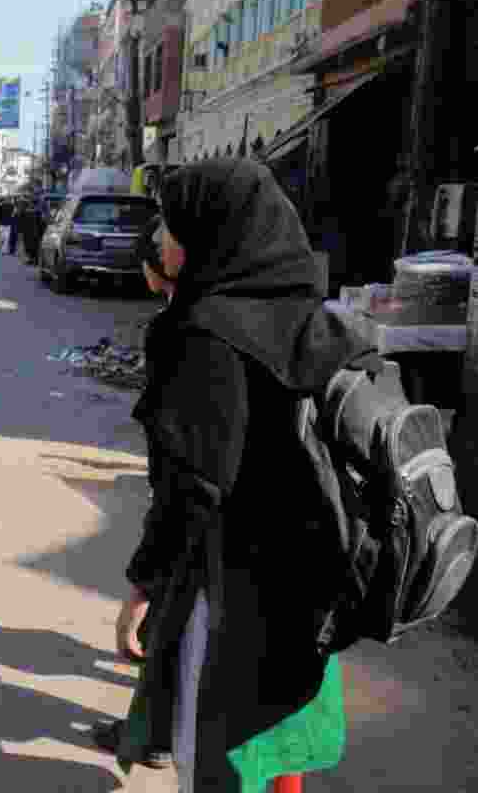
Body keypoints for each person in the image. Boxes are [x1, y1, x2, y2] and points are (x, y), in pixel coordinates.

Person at [107, 159, 357, 791]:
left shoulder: (205, 335)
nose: (160, 240)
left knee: (222, 756)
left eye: (171, 225)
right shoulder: (307, 313)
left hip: (233, 592)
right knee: (278, 752)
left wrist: (143, 586)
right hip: (310, 583)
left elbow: (192, 489)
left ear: (212, 233)